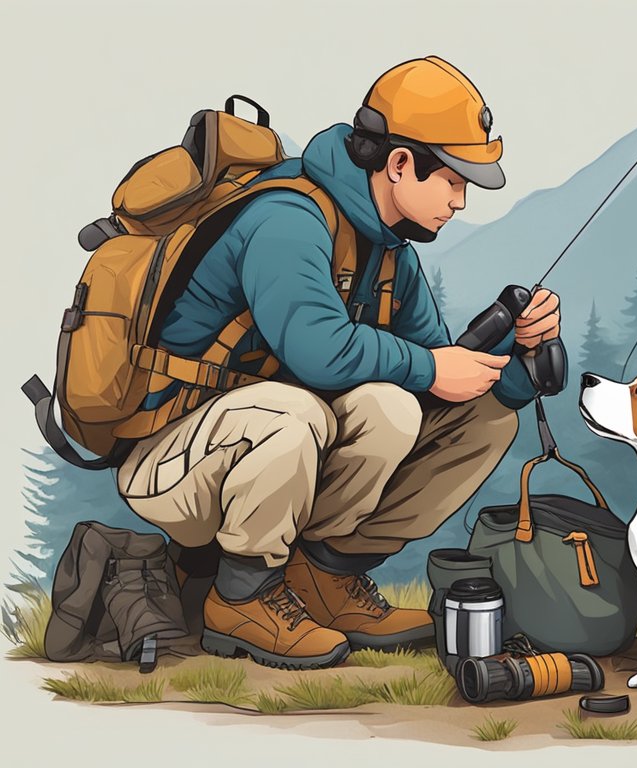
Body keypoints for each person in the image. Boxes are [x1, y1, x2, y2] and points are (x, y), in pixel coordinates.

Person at [113, 57, 562, 669]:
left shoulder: (389, 250)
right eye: (454, 179)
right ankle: (241, 596)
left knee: (427, 412)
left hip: (260, 448)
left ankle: (326, 577)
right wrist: (434, 368)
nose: (461, 200)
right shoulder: (289, 220)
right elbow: (318, 349)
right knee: (298, 410)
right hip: (170, 462)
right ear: (400, 163)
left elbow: (431, 382)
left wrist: (513, 374)